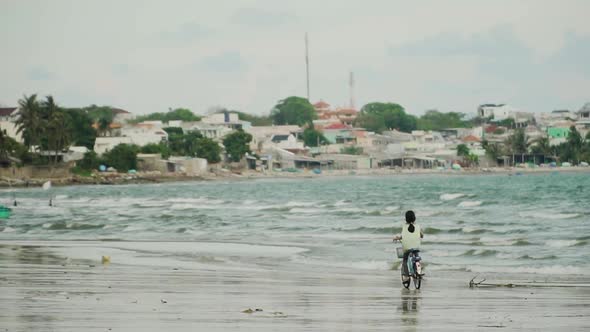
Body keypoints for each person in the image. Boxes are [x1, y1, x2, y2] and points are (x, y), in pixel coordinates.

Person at [393, 210, 424, 282]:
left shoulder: (404, 227)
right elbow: (422, 235)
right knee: (417, 257)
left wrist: (396, 238)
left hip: (407, 247)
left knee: (405, 260)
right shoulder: (417, 226)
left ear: (405, 218)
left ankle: (406, 276)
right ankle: (418, 271)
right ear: (414, 218)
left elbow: (402, 236)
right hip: (416, 247)